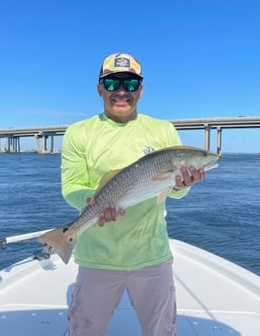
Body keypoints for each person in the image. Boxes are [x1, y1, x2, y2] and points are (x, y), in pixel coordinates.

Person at [61, 53, 205, 336]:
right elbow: (71, 187)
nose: (122, 91)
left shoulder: (163, 130)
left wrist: (182, 184)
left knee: (162, 332)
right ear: (100, 88)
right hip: (97, 258)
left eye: (130, 83)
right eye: (113, 84)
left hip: (151, 255)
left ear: (141, 89)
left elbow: (175, 194)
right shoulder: (79, 132)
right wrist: (94, 203)